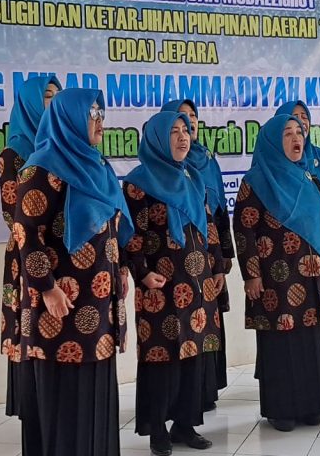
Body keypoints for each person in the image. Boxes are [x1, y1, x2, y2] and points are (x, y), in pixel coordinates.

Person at [12, 88, 132, 456]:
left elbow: (112, 227)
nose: (100, 121)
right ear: (69, 119)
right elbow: (25, 233)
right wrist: (46, 287)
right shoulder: (41, 170)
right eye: (92, 113)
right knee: (64, 399)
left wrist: (121, 267)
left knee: (97, 394)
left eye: (101, 113)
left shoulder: (99, 167)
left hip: (99, 305)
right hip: (59, 308)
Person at [124, 111, 224, 456]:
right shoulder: (138, 183)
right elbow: (131, 234)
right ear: (156, 139)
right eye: (174, 132)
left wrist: (216, 268)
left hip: (197, 284)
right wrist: (141, 273)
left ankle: (185, 424)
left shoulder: (192, 176)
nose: (183, 137)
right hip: (160, 287)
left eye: (186, 130)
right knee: (161, 359)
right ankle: (157, 430)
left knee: (193, 357)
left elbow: (207, 226)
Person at [234, 114, 320, 432]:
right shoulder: (256, 181)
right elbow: (244, 230)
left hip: (313, 276)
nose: (296, 139)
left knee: (311, 341)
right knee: (281, 340)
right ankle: (281, 410)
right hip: (276, 277)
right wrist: (252, 274)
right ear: (272, 142)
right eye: (287, 134)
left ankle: (312, 404)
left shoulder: (311, 177)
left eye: (299, 133)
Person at [161, 99, 233, 411]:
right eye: (179, 121)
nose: (188, 125)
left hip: (206, 254)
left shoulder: (204, 161)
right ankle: (184, 399)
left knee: (209, 320)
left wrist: (223, 255)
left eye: (192, 117)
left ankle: (207, 388)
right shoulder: (157, 173)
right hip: (173, 267)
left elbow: (219, 210)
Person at [0, 76, 60, 420]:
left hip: (63, 257)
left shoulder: (62, 147)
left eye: (57, 97)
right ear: (31, 103)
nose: (53, 103)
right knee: (29, 324)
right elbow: (13, 212)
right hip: (27, 251)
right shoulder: (14, 153)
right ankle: (30, 406)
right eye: (47, 96)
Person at [275, 100, 320, 393]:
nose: (300, 127)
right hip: (284, 265)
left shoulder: (317, 162)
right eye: (292, 122)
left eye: (304, 120)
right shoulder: (267, 170)